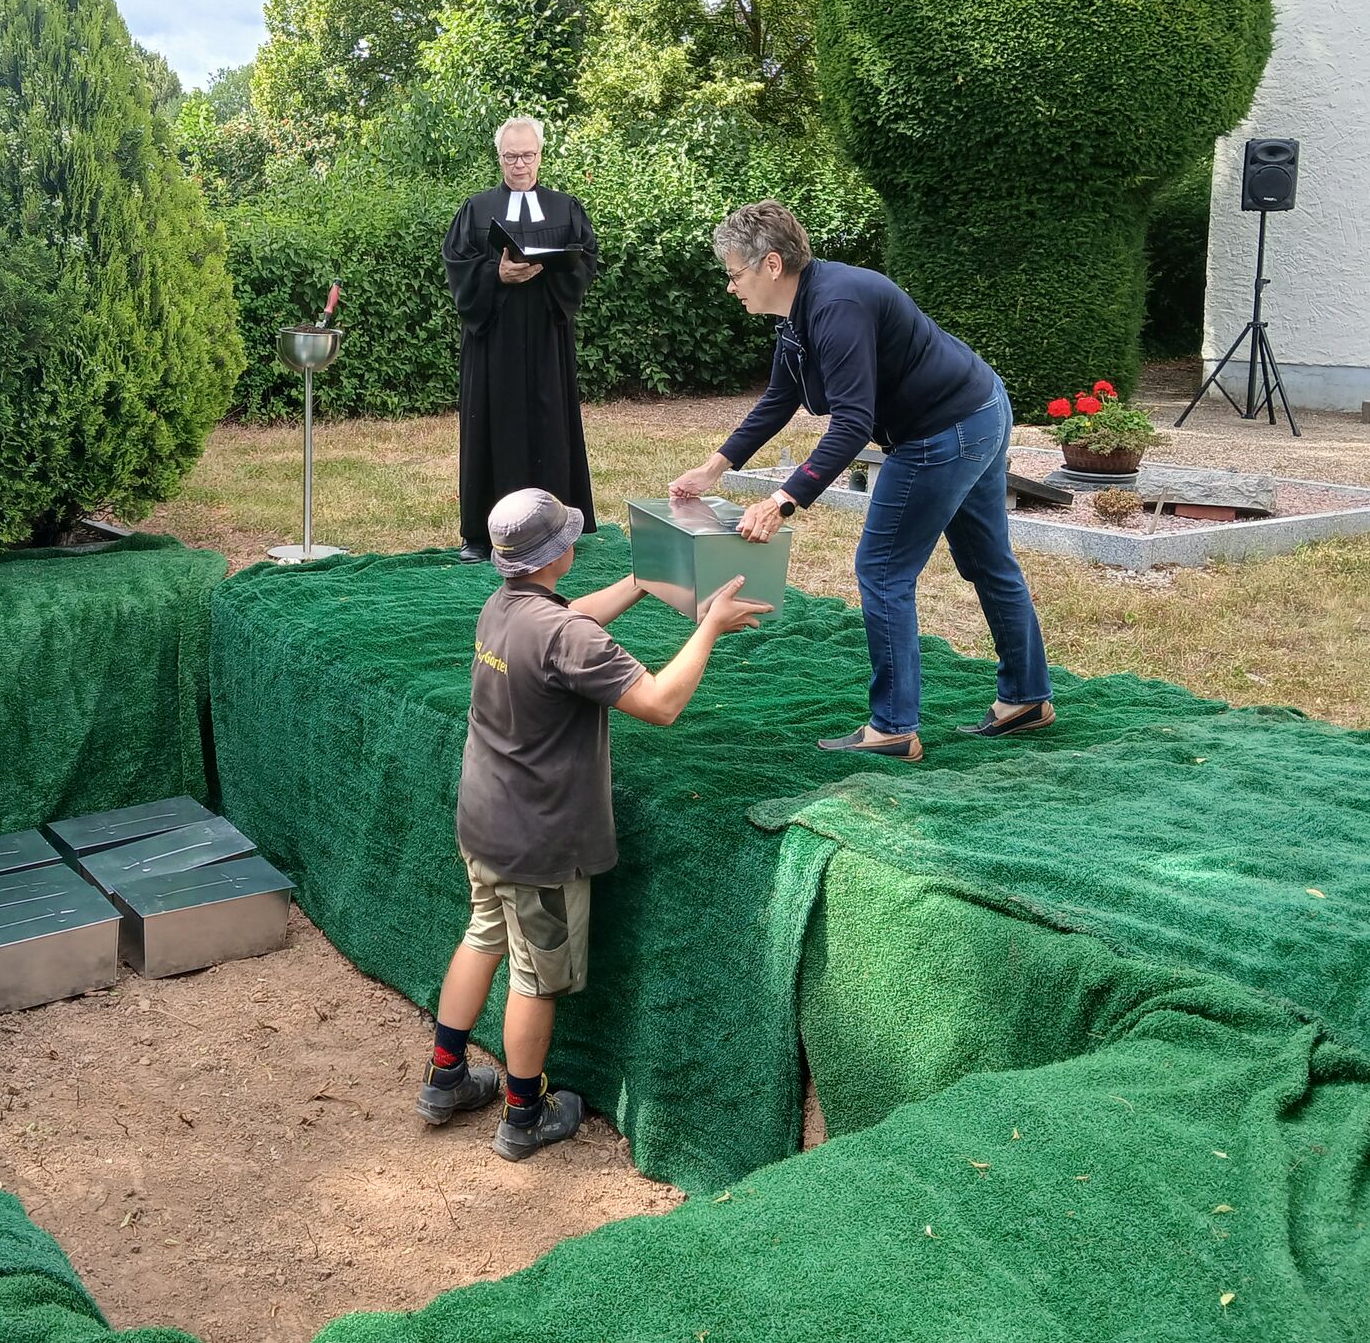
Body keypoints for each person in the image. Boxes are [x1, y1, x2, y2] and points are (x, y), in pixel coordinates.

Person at [414, 486, 770, 1160]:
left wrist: (639, 580)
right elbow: (661, 703)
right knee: (534, 976)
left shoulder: (504, 607)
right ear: (563, 551)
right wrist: (710, 626)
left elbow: (569, 617)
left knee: (483, 934)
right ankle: (524, 1115)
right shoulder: (570, 638)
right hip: (538, 844)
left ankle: (445, 1078)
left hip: (485, 820)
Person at [668, 201, 1053, 761]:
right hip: (979, 409)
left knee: (883, 568)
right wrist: (715, 467)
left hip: (944, 431)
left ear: (771, 264)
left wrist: (783, 499)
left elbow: (852, 422)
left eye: (734, 274)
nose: (731, 288)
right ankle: (1026, 698)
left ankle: (894, 727)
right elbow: (781, 397)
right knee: (988, 562)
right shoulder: (800, 311)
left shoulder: (837, 305)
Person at [443, 116, 600, 562]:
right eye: (511, 156)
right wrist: (497, 274)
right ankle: (480, 534)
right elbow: (458, 265)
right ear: (499, 157)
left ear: (540, 155)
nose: (519, 165)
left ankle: (555, 529)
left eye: (527, 155)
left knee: (550, 426)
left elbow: (586, 260)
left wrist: (549, 269)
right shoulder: (476, 208)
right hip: (493, 339)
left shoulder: (565, 207)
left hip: (548, 337)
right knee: (490, 424)